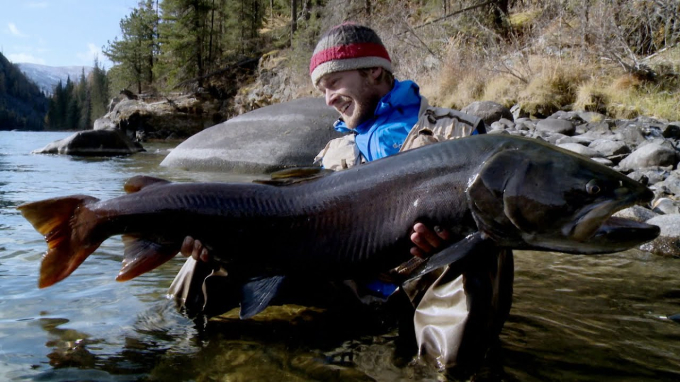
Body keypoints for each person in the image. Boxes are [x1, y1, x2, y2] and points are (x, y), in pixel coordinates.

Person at [172, 22, 513, 378]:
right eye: (321, 89)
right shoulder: (331, 152)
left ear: (374, 70)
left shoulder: (460, 134)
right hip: (340, 281)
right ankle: (171, 337)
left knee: (483, 239)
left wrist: (449, 241)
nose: (328, 99)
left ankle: (446, 371)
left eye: (333, 82)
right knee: (218, 242)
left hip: (418, 286)